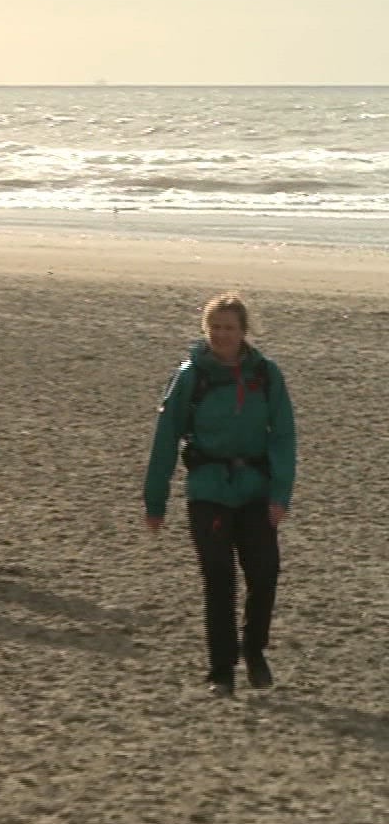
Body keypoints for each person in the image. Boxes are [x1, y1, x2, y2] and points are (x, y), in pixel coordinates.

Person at [143, 293, 296, 697]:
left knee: (263, 575)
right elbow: (165, 439)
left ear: (244, 331)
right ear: (205, 330)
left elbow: (283, 436)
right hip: (208, 488)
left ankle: (255, 650)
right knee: (218, 576)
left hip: (255, 491)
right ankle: (221, 668)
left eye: (229, 328)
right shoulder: (191, 375)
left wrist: (281, 493)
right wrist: (154, 501)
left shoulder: (267, 375)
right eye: (215, 327)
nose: (221, 335)